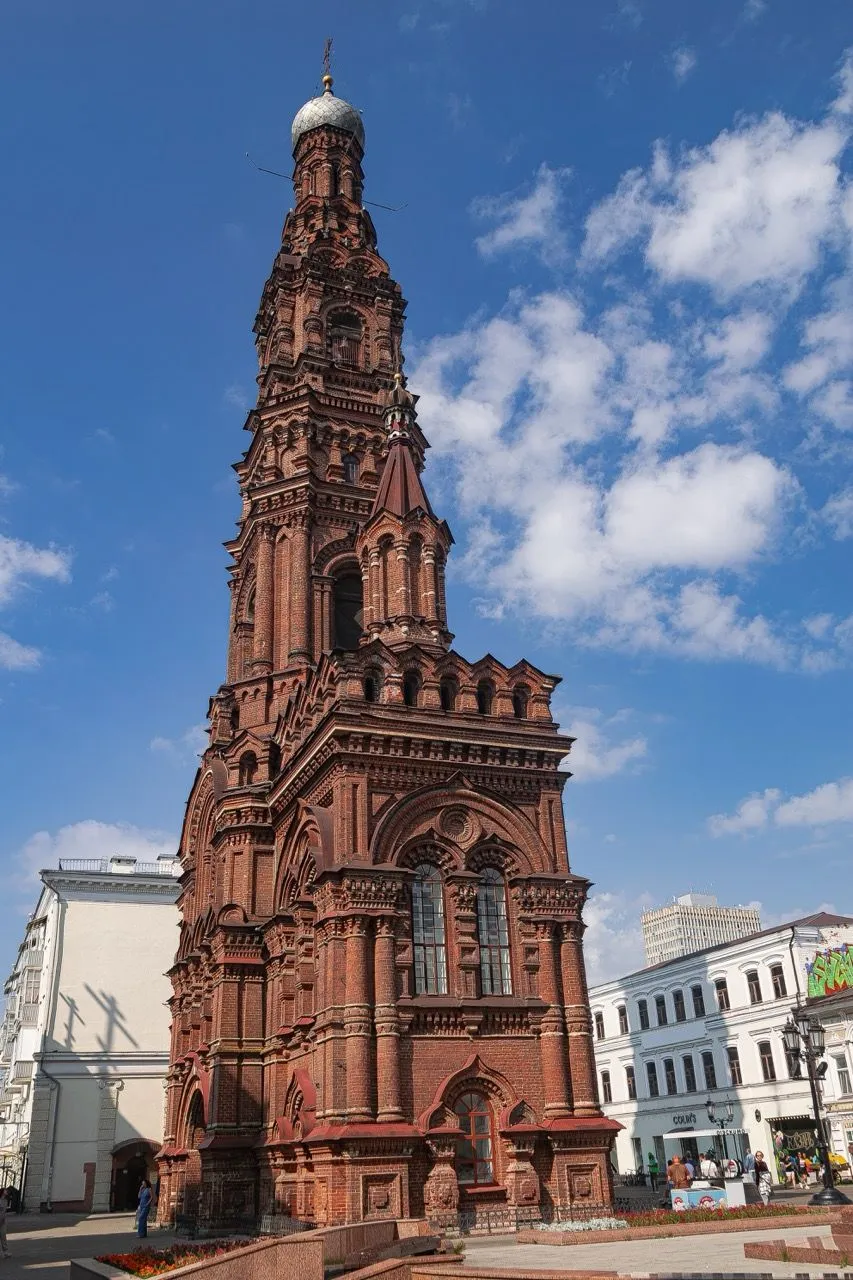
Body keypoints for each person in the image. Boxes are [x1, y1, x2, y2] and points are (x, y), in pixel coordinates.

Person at [0, 1187, 9, 1258]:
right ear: (2, 1192)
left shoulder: (5, 1201)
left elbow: (4, 1211)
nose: (7, 1191)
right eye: (5, 1190)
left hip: (3, 1221)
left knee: (3, 1236)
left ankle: (5, 1251)